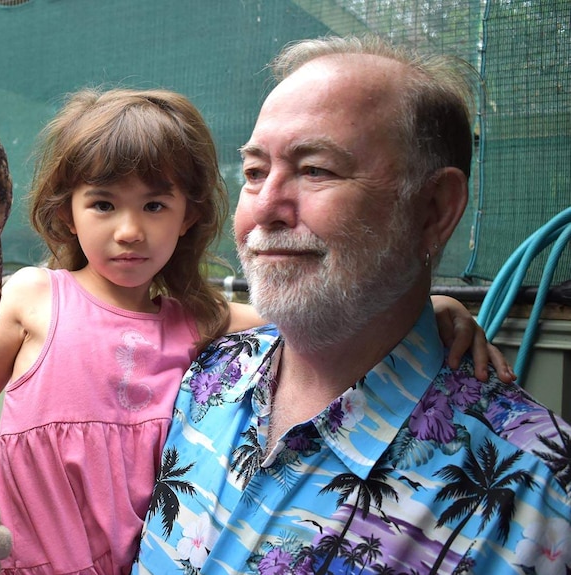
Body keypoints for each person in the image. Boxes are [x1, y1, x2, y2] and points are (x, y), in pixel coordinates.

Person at [0, 87, 512, 575]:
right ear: (66, 210)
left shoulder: (194, 319)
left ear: (187, 216)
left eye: (153, 204)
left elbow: (308, 315)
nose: (128, 230)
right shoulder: (32, 298)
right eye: (102, 204)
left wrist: (428, 305)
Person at [134, 35, 571, 575]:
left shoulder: (535, 497)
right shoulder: (209, 374)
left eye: (315, 169)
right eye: (253, 172)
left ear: (433, 209)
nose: (265, 207)